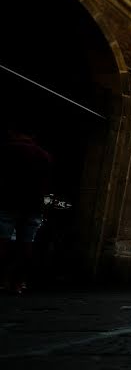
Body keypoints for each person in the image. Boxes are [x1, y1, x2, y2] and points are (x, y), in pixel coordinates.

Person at [0, 124, 52, 294]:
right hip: (33, 205)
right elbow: (47, 183)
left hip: (8, 201)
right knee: (26, 245)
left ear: (14, 132)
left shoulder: (7, 149)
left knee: (3, 242)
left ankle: (3, 279)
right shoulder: (44, 156)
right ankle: (18, 283)